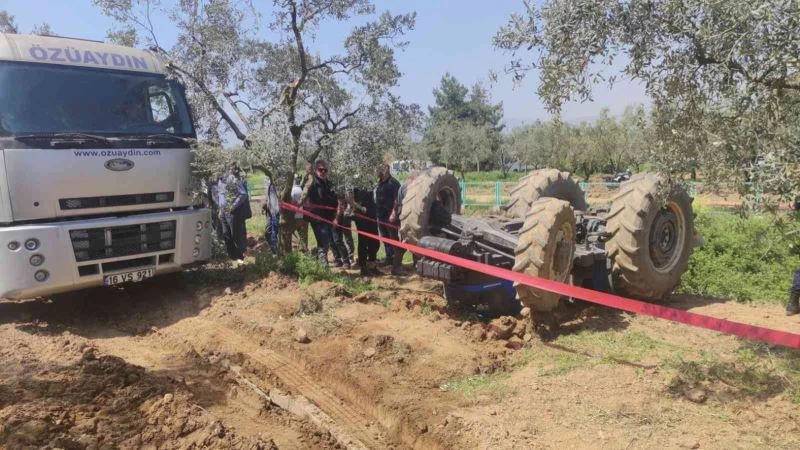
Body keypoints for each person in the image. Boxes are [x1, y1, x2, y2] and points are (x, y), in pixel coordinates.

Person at [303, 160, 338, 264]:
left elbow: (335, 202)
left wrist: (336, 218)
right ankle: (323, 266)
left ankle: (319, 263)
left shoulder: (330, 184)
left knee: (325, 243)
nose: (323, 172)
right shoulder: (312, 183)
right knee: (323, 242)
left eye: (325, 170)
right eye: (320, 169)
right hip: (317, 219)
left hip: (329, 219)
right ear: (315, 170)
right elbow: (304, 197)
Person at [218, 166, 250, 262]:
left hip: (233, 212)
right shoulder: (220, 181)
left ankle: (242, 256)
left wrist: (233, 206)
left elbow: (243, 194)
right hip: (223, 211)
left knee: (236, 235)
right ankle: (233, 257)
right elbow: (221, 196)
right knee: (226, 234)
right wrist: (220, 210)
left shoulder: (231, 178)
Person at [375, 163, 401, 268]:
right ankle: (389, 258)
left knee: (393, 238)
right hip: (381, 215)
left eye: (381, 169)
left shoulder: (394, 183)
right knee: (385, 238)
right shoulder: (380, 182)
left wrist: (394, 213)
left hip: (390, 216)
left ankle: (397, 261)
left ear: (387, 169)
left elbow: (397, 199)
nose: (379, 171)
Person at [349, 188, 380, 276]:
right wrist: (360, 208)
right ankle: (363, 268)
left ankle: (372, 266)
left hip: (372, 216)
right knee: (363, 243)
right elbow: (350, 199)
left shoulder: (370, 184)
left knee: (375, 242)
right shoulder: (356, 186)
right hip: (362, 218)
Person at [331, 196, 354, 268]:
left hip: (338, 218)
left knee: (337, 240)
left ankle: (346, 261)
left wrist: (336, 219)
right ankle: (338, 259)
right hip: (329, 217)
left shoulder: (338, 191)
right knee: (331, 241)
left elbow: (341, 205)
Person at [262, 176, 281, 253]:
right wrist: (264, 206)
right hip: (270, 211)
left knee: (274, 231)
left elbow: (275, 200)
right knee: (268, 232)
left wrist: (275, 212)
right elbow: (267, 197)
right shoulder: (268, 183)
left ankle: (275, 249)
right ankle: (273, 247)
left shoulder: (276, 185)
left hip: (275, 211)